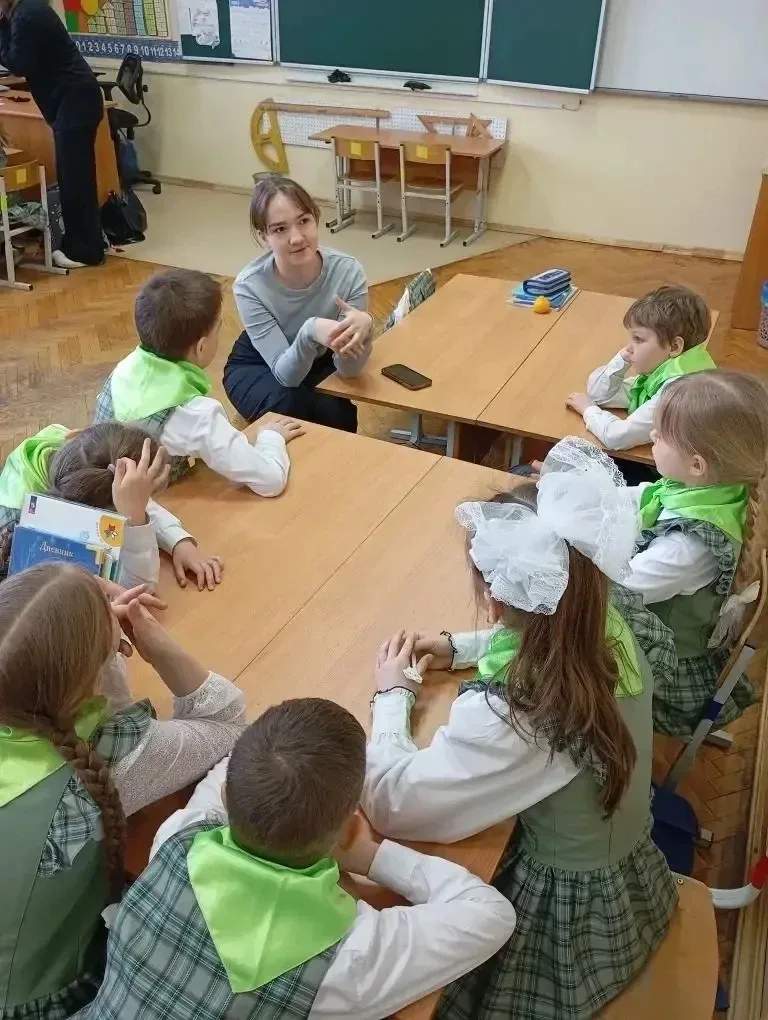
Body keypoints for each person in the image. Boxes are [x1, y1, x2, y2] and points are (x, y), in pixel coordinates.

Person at [363, 439, 679, 1020]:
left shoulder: (525, 710)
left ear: (493, 597)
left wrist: (391, 698)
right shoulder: (602, 611)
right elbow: (550, 627)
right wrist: (460, 647)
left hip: (567, 922)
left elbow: (393, 804)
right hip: (626, 873)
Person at [76, 697, 517, 1020]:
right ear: (349, 830)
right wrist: (370, 856)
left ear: (228, 799)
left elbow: (227, 770)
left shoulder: (177, 839)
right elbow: (490, 914)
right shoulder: (349, 959)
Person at [0, 563, 246, 1019]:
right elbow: (226, 725)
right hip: (40, 995)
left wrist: (92, 645)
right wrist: (149, 643)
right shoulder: (109, 757)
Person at [624, 369, 768, 736]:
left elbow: (618, 589)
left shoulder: (687, 548)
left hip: (660, 676)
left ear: (697, 464)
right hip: (670, 635)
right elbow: (649, 496)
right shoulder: (719, 490)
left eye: (660, 435)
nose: (651, 437)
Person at [93, 268, 304, 491]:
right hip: (156, 504)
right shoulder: (196, 415)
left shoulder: (123, 370)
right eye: (218, 330)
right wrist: (271, 437)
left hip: (100, 496)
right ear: (201, 347)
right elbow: (270, 480)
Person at [223, 175, 373, 433]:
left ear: (316, 219)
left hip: (318, 357)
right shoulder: (249, 285)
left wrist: (365, 328)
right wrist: (310, 330)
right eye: (280, 229)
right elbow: (287, 376)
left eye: (304, 221)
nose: (297, 238)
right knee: (288, 407)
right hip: (260, 361)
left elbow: (349, 372)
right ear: (264, 237)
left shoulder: (348, 271)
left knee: (339, 417)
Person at [0, 422, 222, 590]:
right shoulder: (33, 531)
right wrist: (136, 519)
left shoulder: (76, 454)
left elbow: (135, 498)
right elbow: (137, 588)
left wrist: (178, 540)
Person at [0, 0, 105, 268]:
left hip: (74, 102)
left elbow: (18, 63)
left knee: (75, 179)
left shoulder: (26, 14)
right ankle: (88, 242)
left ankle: (85, 251)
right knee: (77, 177)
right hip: (75, 100)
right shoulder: (28, 9)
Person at [566, 285, 714, 452]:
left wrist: (588, 410)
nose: (628, 347)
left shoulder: (678, 392)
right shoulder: (673, 371)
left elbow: (617, 437)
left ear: (674, 346)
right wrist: (622, 359)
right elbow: (600, 395)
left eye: (638, 339)